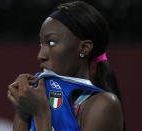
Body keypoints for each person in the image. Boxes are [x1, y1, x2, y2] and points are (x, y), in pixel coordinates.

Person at [7, 1, 125, 131]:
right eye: (41, 44)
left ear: (84, 48)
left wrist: (40, 113)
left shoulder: (105, 105)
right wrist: (22, 112)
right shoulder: (39, 99)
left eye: (51, 43)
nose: (40, 55)